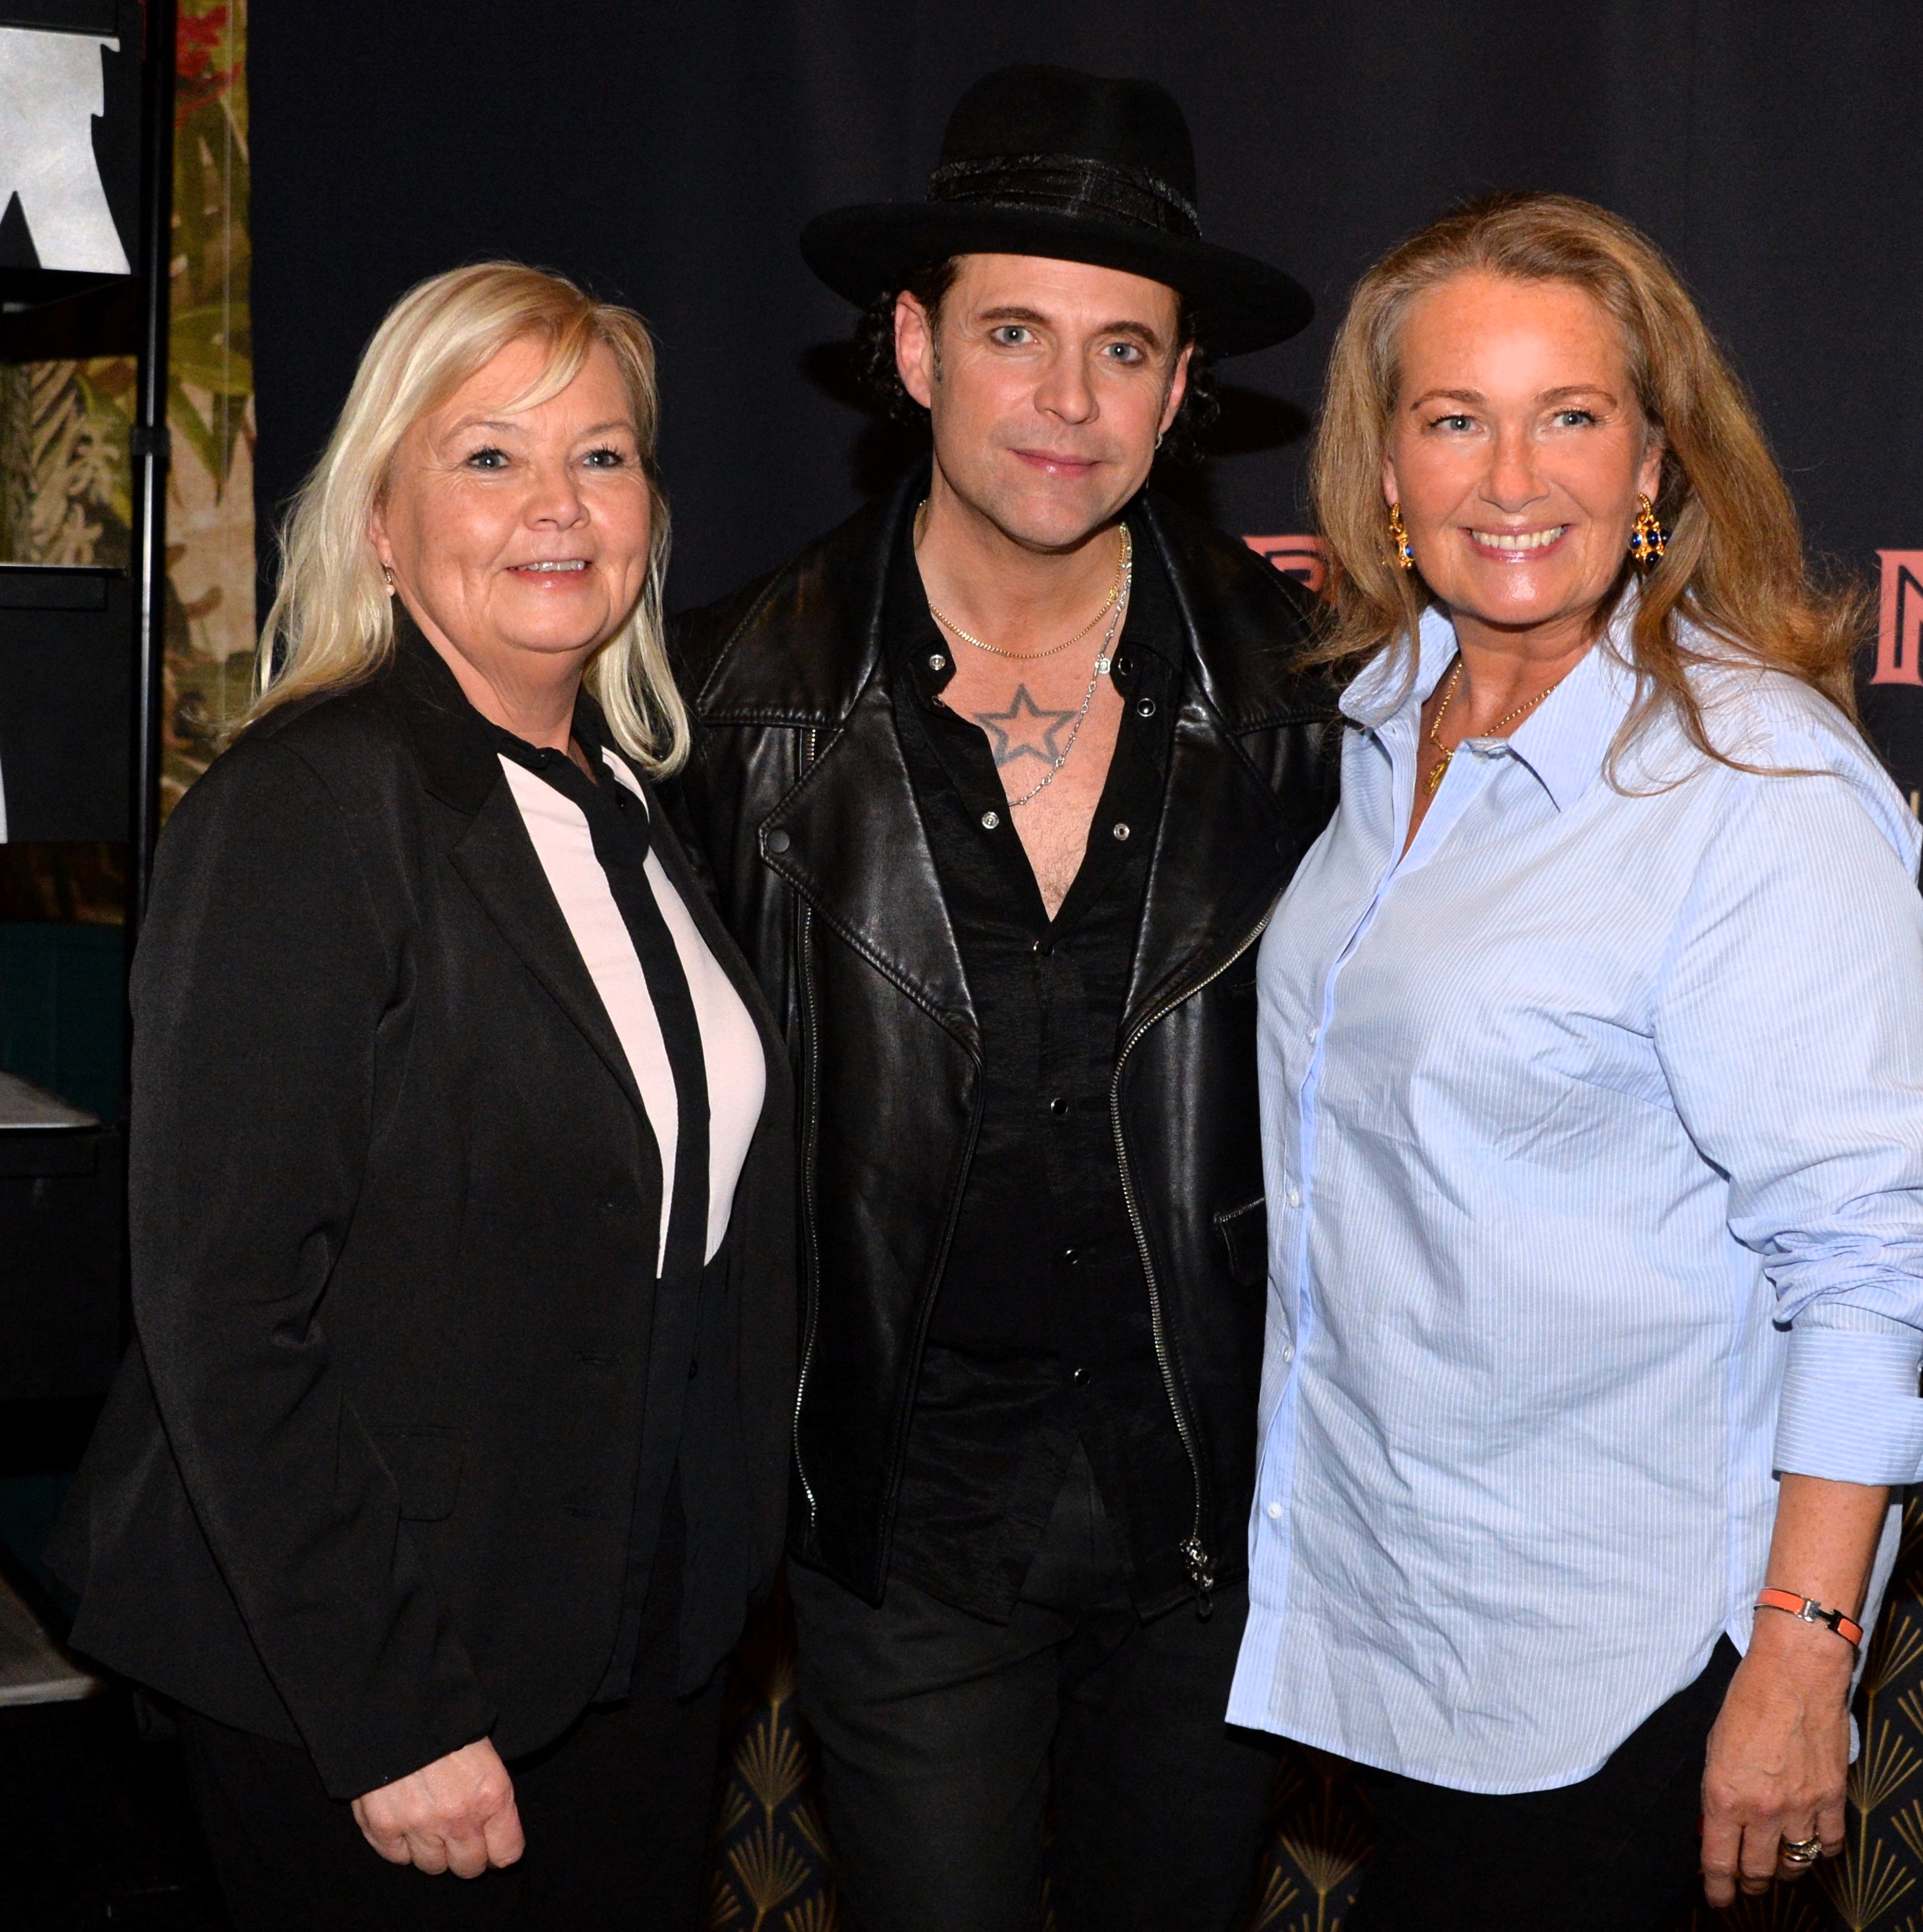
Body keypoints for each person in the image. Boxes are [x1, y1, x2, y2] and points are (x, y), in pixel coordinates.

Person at [1226, 193, 1923, 1931]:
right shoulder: (1376, 727)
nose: (1514, 479)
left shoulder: (1752, 786)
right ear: (1384, 470)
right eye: (1456, 419)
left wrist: (1801, 1665)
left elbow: (1864, 1262)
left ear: (1655, 460)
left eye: (1570, 415)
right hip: (1415, 1638)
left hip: (1630, 1676)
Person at [668, 64, 1337, 1932]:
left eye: (1125, 350)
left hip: (1217, 1515)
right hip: (903, 1527)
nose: (1068, 401)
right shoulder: (731, 703)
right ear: (914, 345)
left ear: (1184, 391)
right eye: (1015, 332)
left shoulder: (1320, 703)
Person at [49, 263, 796, 1932]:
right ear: (382, 522)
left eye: (601, 457)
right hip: (384, 1690)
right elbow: (226, 1313)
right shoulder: (309, 808)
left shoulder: (625, 802)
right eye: (489, 457)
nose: (558, 505)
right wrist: (390, 1708)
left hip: (628, 1662)